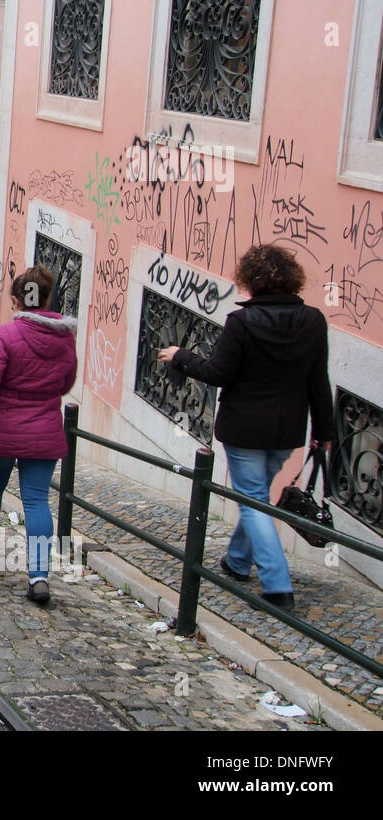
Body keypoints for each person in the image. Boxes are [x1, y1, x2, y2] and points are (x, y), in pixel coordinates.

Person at [157, 244, 333, 611]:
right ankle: (237, 561)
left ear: (251, 280)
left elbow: (218, 373)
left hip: (245, 429)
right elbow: (319, 380)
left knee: (252, 500)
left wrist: (180, 356)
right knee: (256, 497)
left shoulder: (242, 322)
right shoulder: (314, 320)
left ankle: (277, 587)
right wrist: (324, 430)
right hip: (286, 431)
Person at [0, 264, 78, 605]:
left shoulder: (7, 336)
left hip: (2, 429)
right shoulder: (64, 339)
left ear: (17, 301)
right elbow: (66, 384)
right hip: (43, 432)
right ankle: (39, 576)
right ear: (47, 297)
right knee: (37, 501)